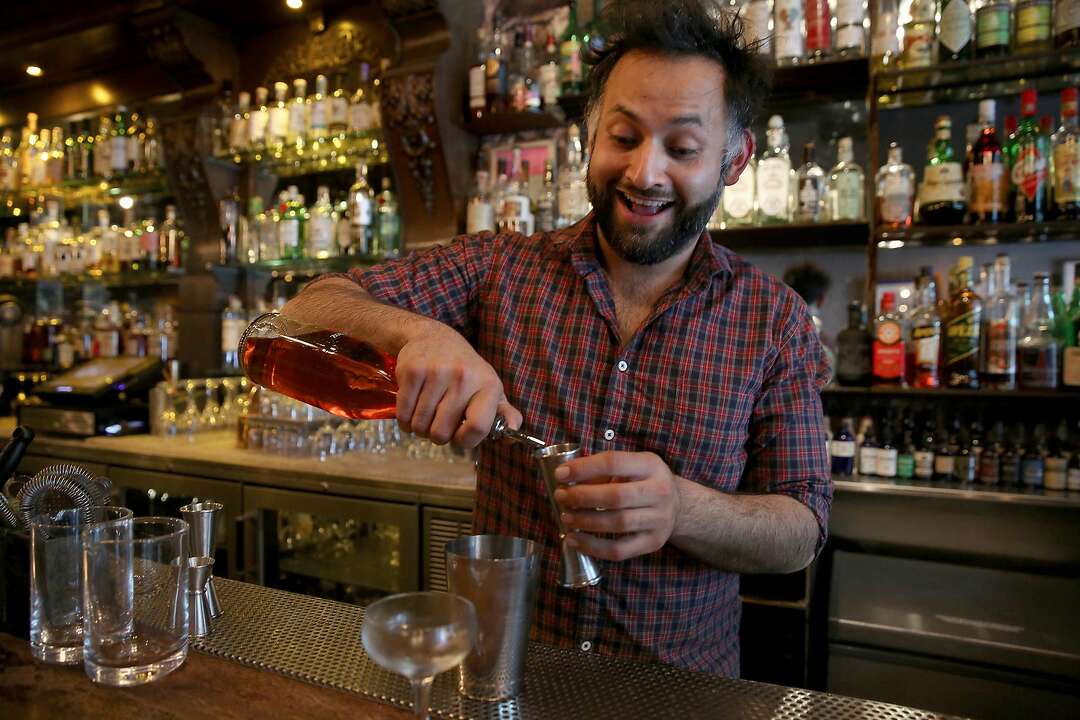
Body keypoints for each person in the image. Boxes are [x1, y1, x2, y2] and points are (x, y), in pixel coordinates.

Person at [282, 0, 831, 677]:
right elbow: (309, 307)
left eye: (683, 148)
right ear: (588, 138)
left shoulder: (772, 320)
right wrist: (418, 333)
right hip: (505, 677)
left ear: (735, 158)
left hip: (679, 696)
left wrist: (682, 508)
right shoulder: (501, 268)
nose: (645, 173)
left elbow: (802, 529)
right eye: (623, 137)